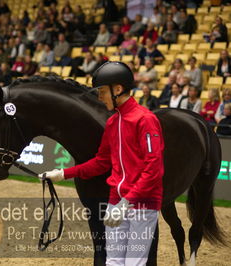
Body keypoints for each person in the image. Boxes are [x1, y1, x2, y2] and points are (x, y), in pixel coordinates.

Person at [39, 61, 164, 265]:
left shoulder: (146, 120)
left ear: (118, 89)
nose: (99, 97)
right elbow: (101, 162)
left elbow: (154, 168)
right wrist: (63, 173)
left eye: (102, 91)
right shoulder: (113, 122)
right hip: (116, 201)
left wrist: (128, 201)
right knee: (113, 261)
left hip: (142, 203)